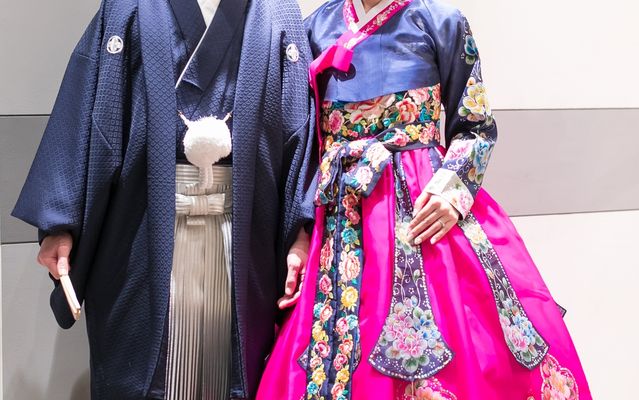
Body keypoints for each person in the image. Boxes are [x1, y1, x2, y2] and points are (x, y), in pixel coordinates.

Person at [257, 0, 592, 399]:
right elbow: (306, 145)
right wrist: (301, 233)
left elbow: (476, 127)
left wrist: (451, 193)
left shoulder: (440, 22)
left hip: (424, 210)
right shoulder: (314, 28)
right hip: (340, 219)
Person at [12, 0, 316, 398]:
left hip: (244, 239)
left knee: (231, 372)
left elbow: (298, 131)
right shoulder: (129, 7)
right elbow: (89, 112)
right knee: (140, 373)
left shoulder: (277, 13)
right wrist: (61, 223)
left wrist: (300, 232)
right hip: (141, 231)